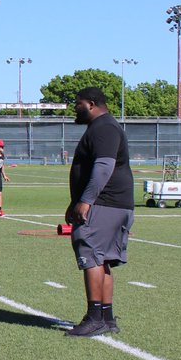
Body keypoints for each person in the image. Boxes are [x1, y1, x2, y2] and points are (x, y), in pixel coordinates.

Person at [64, 86, 134, 338]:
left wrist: (86, 200)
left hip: (104, 204)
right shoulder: (105, 127)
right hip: (111, 204)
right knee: (101, 259)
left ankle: (94, 317)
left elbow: (104, 167)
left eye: (78, 102)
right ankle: (106, 317)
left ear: (91, 104)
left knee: (91, 256)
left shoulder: (103, 127)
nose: (75, 107)